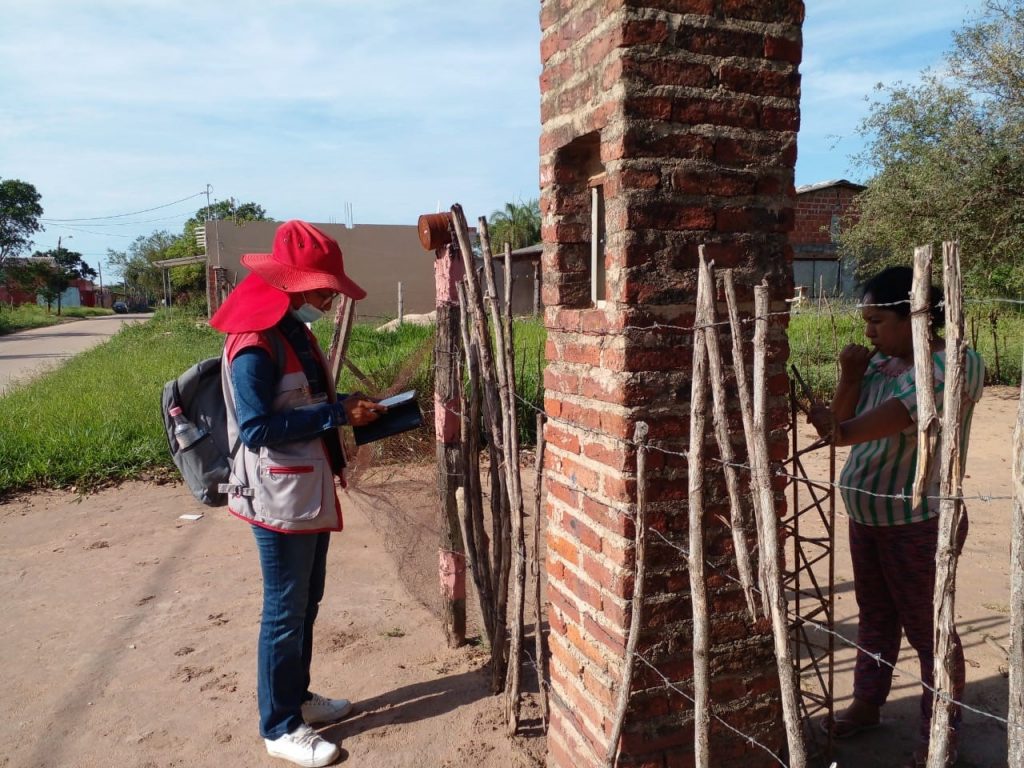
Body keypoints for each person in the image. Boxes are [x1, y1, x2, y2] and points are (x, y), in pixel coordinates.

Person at [210, 219, 386, 768]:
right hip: (277, 498)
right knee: (285, 610)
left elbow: (302, 400)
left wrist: (346, 406)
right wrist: (336, 414)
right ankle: (279, 726)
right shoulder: (254, 344)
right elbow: (257, 428)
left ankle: (297, 697)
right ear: (293, 285)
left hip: (304, 490)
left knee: (307, 600)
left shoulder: (290, 330)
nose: (330, 300)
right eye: (324, 289)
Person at [808, 266, 985, 768]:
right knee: (876, 616)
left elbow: (844, 432)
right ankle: (868, 703)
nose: (868, 333)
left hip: (918, 521)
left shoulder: (954, 364)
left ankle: (939, 735)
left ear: (915, 317)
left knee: (929, 630)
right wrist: (849, 379)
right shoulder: (883, 366)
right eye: (865, 322)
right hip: (869, 516)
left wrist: (836, 424)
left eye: (877, 321)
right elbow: (839, 423)